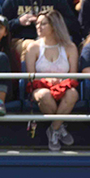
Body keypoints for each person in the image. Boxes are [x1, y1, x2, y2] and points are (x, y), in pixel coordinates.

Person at [27, 10, 79, 153]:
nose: (38, 26)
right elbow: (30, 77)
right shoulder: (33, 47)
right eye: (37, 23)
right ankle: (59, 128)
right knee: (44, 95)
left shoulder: (70, 47)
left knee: (73, 94)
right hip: (40, 87)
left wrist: (59, 81)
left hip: (63, 86)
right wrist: (48, 80)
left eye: (43, 23)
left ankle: (53, 129)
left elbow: (73, 76)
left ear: (54, 26)